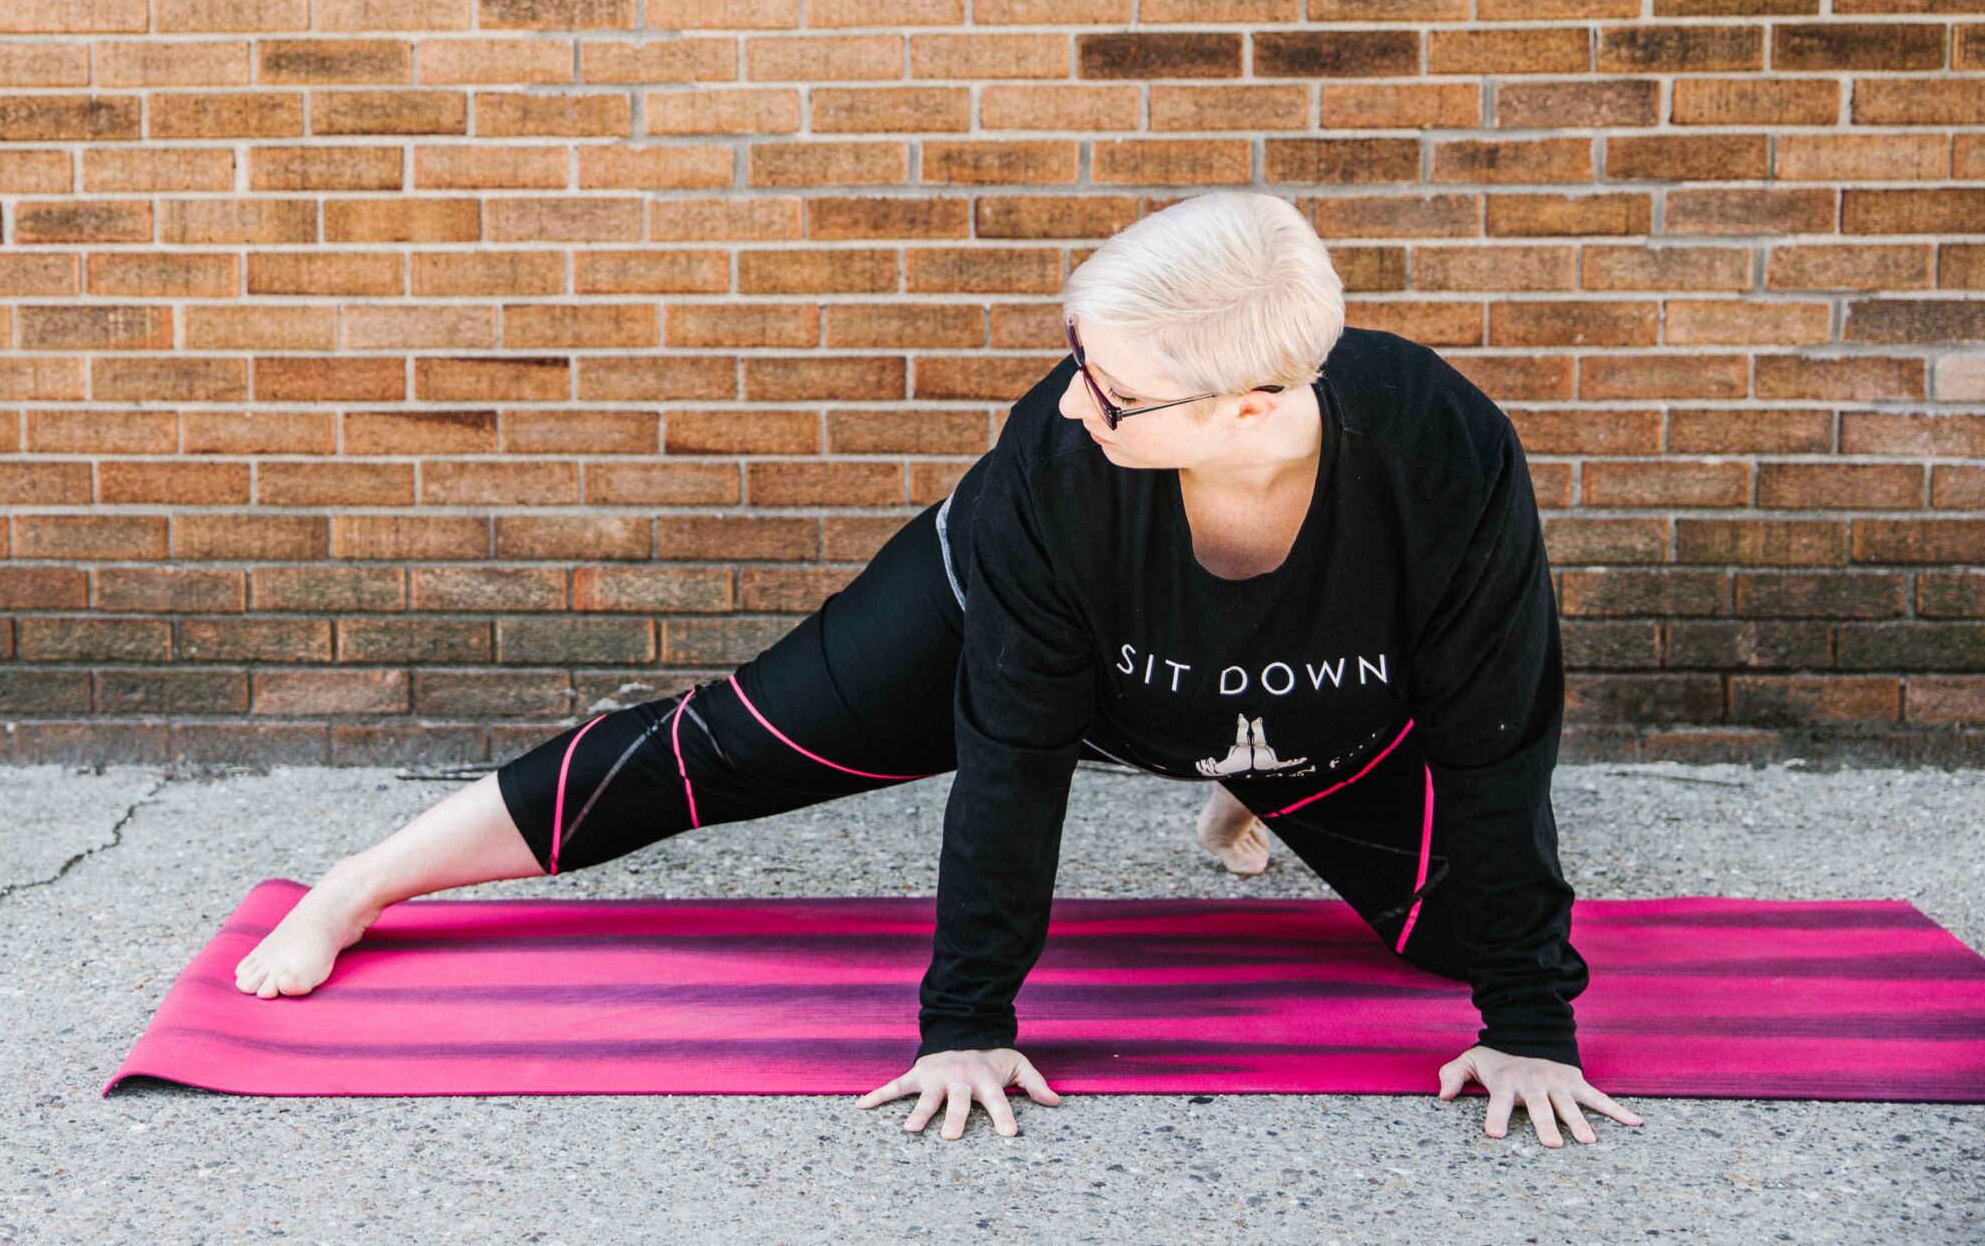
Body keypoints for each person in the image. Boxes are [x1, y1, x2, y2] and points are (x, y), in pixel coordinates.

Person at [230, 189, 1643, 1152]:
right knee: (732, 742)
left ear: (1257, 405)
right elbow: (1014, 756)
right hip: (1048, 641)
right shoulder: (1059, 462)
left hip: (1333, 712)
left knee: (1458, 947)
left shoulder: (1445, 458)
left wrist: (1530, 1024)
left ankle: (1247, 784)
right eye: (1076, 360)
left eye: (1114, 391)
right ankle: (368, 881)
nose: (1072, 401)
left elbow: (1498, 734)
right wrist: (967, 1022)